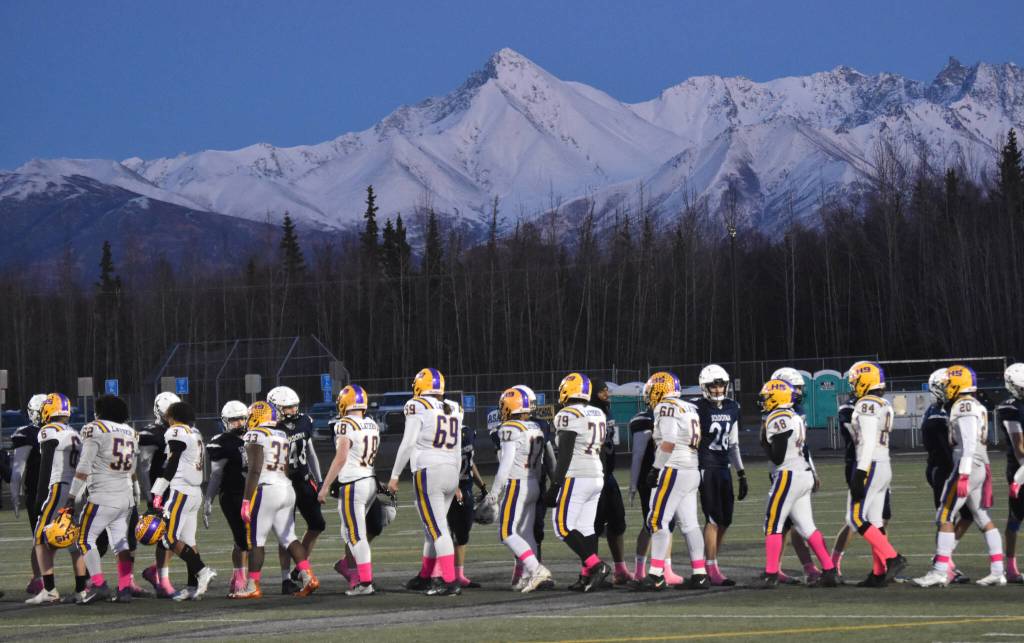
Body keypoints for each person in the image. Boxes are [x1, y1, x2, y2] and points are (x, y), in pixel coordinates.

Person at [915, 365, 1006, 587]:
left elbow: (967, 444)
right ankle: (997, 571)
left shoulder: (963, 405)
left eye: (947, 384)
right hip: (979, 464)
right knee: (982, 517)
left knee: (944, 515)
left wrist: (963, 474)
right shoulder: (974, 404)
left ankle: (939, 571)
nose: (945, 388)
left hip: (967, 464)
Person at [389, 368, 466, 596]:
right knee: (432, 528)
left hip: (429, 471)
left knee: (437, 528)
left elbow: (408, 442)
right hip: (451, 470)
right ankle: (425, 576)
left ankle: (450, 581)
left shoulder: (417, 406)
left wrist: (394, 476)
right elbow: (458, 447)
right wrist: (458, 478)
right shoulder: (454, 408)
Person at [231, 401, 320, 599]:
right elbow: (286, 467)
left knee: (256, 541)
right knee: (289, 537)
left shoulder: (255, 434)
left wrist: (246, 500)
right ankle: (309, 577)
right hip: (286, 487)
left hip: (267, 489)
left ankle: (252, 585)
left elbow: (254, 469)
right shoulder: (281, 434)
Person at [756, 379, 837, 589]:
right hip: (803, 473)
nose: (764, 401)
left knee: (772, 524)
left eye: (767, 397)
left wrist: (764, 442)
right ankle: (828, 570)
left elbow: (777, 457)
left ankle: (771, 573)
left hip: (788, 475)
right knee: (807, 526)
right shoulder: (793, 415)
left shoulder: (778, 416)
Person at [632, 372, 708, 591]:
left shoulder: (665, 407)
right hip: (692, 468)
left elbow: (669, 441)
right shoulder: (689, 407)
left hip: (673, 468)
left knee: (656, 520)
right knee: (690, 524)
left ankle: (655, 574)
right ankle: (700, 573)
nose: (648, 396)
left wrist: (655, 469)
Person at [65, 395, 140, 603]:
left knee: (83, 539)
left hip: (102, 495)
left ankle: (99, 584)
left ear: (101, 411)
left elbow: (84, 466)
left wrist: (72, 496)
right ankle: (125, 588)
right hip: (125, 496)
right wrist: (136, 495)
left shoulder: (95, 428)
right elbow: (132, 470)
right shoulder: (132, 432)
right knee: (120, 542)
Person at [542, 372, 611, 592]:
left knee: (562, 526)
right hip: (596, 474)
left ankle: (596, 566)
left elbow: (565, 454)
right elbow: (600, 450)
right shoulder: (597, 412)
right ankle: (586, 575)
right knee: (586, 527)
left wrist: (555, 485)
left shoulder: (567, 414)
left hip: (578, 475)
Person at [842, 361, 906, 587]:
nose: (852, 386)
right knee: (876, 520)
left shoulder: (866, 403)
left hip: (870, 464)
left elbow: (868, 441)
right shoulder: (884, 403)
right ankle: (879, 573)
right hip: (883, 463)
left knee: (855, 517)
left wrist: (860, 472)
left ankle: (892, 557)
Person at [486, 387, 554, 592]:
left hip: (518, 484)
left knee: (506, 533)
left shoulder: (510, 429)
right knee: (526, 534)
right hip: (534, 482)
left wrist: (494, 493)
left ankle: (536, 569)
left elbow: (505, 465)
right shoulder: (536, 427)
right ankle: (526, 575)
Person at [148, 401, 217, 600]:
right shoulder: (195, 433)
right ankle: (192, 586)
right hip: (195, 491)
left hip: (181, 491)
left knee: (168, 538)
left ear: (172, 415)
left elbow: (173, 460)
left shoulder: (175, 430)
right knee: (188, 541)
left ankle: (202, 571)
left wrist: (159, 490)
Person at [317, 384, 381, 596]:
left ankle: (365, 583)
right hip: (369, 479)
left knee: (355, 535)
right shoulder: (371, 423)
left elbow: (341, 457)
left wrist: (325, 486)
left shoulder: (344, 424)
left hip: (353, 483)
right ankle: (359, 575)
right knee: (352, 533)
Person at [26, 393, 88, 605]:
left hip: (58, 487)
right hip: (77, 491)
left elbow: (46, 466)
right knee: (74, 540)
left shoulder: (48, 430)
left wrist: (39, 497)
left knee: (40, 538)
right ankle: (81, 589)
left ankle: (50, 590)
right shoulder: (75, 433)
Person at [267, 386, 325, 594]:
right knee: (286, 532)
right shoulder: (270, 427)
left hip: (303, 480)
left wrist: (319, 481)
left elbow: (310, 452)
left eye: (294, 406)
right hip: (283, 483)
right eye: (287, 407)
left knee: (318, 524)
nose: (292, 411)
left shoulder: (304, 421)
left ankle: (299, 569)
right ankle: (285, 579)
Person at [692, 364, 747, 586]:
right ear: (704, 386)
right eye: (713, 385)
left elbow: (733, 444)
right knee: (713, 518)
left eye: (721, 385)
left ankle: (711, 562)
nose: (717, 389)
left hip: (723, 467)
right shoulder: (697, 408)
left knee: (726, 519)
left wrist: (741, 473)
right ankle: (710, 566)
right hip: (706, 467)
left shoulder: (733, 407)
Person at [918, 368, 971, 583]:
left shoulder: (943, 409)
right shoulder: (938, 414)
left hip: (945, 468)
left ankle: (943, 559)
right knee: (946, 517)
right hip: (942, 469)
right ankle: (943, 563)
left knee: (966, 515)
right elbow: (945, 451)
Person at [769, 367, 821, 584]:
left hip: (792, 473)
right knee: (790, 525)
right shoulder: (785, 412)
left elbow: (801, 447)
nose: (799, 392)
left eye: (799, 388)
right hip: (786, 473)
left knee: (790, 524)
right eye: (795, 387)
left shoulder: (791, 411)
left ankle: (800, 568)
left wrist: (813, 469)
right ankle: (808, 568)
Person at [205, 400, 250, 596]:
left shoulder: (254, 436)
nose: (238, 423)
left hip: (251, 493)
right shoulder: (221, 442)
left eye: (241, 419)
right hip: (232, 494)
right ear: (225, 421)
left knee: (246, 538)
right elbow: (216, 474)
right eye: (233, 420)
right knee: (241, 538)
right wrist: (208, 499)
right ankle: (240, 578)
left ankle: (238, 576)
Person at [590, 380, 633, 585]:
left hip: (609, 477)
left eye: (607, 390)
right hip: (592, 476)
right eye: (601, 391)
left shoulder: (608, 412)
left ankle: (620, 569)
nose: (606, 394)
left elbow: (611, 444)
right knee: (593, 526)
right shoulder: (587, 414)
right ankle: (592, 569)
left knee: (617, 524)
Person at [139, 391, 180, 598]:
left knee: (177, 535)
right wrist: (149, 495)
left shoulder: (183, 430)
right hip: (161, 491)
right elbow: (144, 466)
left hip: (178, 489)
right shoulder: (151, 433)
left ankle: (155, 571)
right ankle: (163, 580)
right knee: (167, 536)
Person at [10, 393, 47, 595]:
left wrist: (16, 495)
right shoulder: (62, 431)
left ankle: (39, 578)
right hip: (45, 493)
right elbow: (18, 470)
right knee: (41, 538)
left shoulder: (56, 431)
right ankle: (39, 578)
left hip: (46, 493)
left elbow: (17, 471)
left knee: (43, 538)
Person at [446, 421, 488, 587]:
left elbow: (470, 463)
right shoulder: (445, 435)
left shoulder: (468, 432)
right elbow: (445, 464)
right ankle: (444, 573)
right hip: (448, 487)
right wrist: (454, 486)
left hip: (466, 487)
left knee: (463, 533)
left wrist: (483, 486)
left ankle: (458, 574)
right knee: (446, 533)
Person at [998, 362, 1024, 583]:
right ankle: (1011, 567)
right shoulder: (1010, 408)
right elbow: (1019, 448)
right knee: (1015, 517)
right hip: (1019, 468)